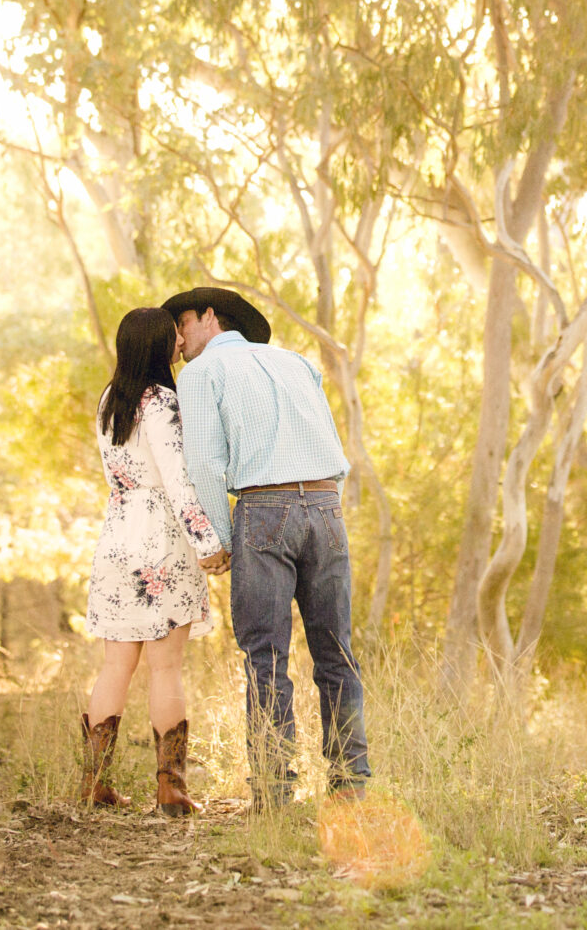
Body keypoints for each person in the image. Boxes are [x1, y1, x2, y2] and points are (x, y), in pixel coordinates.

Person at [166, 284, 371, 809]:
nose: (179, 337)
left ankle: (276, 793)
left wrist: (218, 541)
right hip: (326, 507)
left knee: (266, 658)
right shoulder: (298, 362)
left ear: (210, 318)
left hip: (263, 508)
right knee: (337, 652)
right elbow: (331, 444)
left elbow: (207, 463)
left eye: (183, 323)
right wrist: (325, 506)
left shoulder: (202, 373)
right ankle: (351, 783)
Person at [78, 305, 224, 815]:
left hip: (117, 535)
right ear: (159, 347)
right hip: (161, 538)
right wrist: (209, 543)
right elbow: (178, 480)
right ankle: (171, 790)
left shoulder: (107, 400)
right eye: (172, 340)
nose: (179, 346)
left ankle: (93, 783)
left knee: (115, 666)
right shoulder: (162, 400)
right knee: (165, 669)